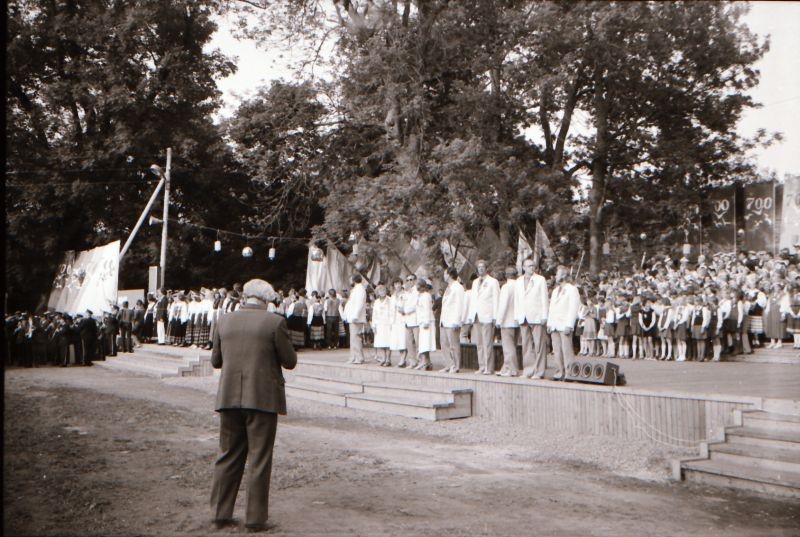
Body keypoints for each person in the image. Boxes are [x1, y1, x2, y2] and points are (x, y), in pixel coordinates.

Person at [210, 279, 297, 533]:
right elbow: (289, 361)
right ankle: (255, 519)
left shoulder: (224, 320)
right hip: (262, 398)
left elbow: (216, 361)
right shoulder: (275, 322)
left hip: (228, 397)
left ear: (245, 296)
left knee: (227, 455)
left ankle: (220, 513)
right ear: (266, 299)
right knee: (259, 458)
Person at [514, 257, 549, 379]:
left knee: (539, 344)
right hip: (523, 316)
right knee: (526, 345)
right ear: (523, 267)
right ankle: (528, 370)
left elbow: (544, 299)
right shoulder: (518, 281)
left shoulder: (540, 280)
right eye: (529, 266)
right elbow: (517, 300)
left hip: (537, 316)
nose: (532, 268)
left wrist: (545, 316)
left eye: (533, 266)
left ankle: (539, 371)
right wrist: (516, 316)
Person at [546, 265, 581, 381]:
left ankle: (570, 373)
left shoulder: (572, 289)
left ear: (564, 275)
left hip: (565, 324)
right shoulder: (555, 290)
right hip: (555, 324)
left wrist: (570, 325)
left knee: (567, 350)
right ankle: (559, 372)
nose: (555, 276)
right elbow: (551, 308)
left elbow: (573, 308)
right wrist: (549, 323)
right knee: (556, 350)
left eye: (557, 274)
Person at [468, 260, 500, 375]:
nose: (480, 269)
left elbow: (496, 300)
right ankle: (481, 366)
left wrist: (495, 317)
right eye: (479, 267)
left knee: (487, 343)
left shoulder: (493, 282)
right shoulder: (475, 282)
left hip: (487, 315)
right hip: (476, 315)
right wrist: (471, 315)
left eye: (483, 267)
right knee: (479, 343)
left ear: (486, 269)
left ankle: (488, 367)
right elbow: (473, 300)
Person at [439, 267, 466, 373]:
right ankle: (448, 364)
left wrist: (457, 320)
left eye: (445, 274)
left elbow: (460, 305)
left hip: (452, 321)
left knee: (453, 344)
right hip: (444, 320)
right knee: (444, 343)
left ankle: (456, 365)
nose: (444, 276)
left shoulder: (458, 287)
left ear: (449, 274)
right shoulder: (448, 288)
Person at [496, 267, 520, 377]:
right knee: (513, 345)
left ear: (506, 275)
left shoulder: (506, 287)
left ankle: (511, 369)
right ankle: (506, 367)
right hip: (517, 320)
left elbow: (503, 305)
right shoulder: (520, 286)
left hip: (507, 321)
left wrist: (499, 320)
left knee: (508, 347)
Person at [343, 274, 367, 364]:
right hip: (352, 317)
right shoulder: (355, 289)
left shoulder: (360, 289)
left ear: (353, 280)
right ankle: (353, 356)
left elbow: (359, 304)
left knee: (356, 337)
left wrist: (355, 315)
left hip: (356, 318)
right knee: (353, 338)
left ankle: (359, 357)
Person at [414, 279, 436, 370]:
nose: (416, 287)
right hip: (421, 322)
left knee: (425, 343)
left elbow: (427, 309)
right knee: (424, 343)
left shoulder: (426, 296)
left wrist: (426, 321)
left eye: (417, 285)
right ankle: (427, 361)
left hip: (426, 322)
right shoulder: (420, 296)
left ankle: (423, 361)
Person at [401, 274, 420, 368]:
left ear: (415, 280)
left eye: (411, 279)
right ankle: (412, 361)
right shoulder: (406, 292)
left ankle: (420, 361)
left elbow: (415, 305)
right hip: (408, 321)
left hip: (415, 320)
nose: (409, 282)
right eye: (407, 280)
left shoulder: (417, 291)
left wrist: (405, 310)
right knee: (409, 342)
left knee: (417, 342)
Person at [371, 285, 393, 366]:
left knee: (388, 342)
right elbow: (374, 314)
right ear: (378, 292)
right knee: (380, 343)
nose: (382, 292)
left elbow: (392, 313)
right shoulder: (376, 302)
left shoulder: (390, 300)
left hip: (388, 324)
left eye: (383, 290)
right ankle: (383, 358)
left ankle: (388, 359)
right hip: (379, 324)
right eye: (380, 291)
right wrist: (373, 325)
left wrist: (391, 324)